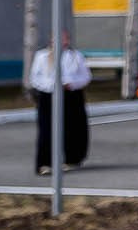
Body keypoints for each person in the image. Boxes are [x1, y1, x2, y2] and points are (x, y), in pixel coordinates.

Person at [28, 30, 91, 175]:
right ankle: (45, 163)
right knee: (47, 130)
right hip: (49, 96)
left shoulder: (75, 56)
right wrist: (51, 86)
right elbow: (35, 78)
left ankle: (72, 159)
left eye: (64, 38)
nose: (61, 41)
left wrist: (71, 84)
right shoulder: (42, 56)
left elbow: (86, 76)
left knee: (73, 128)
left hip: (71, 95)